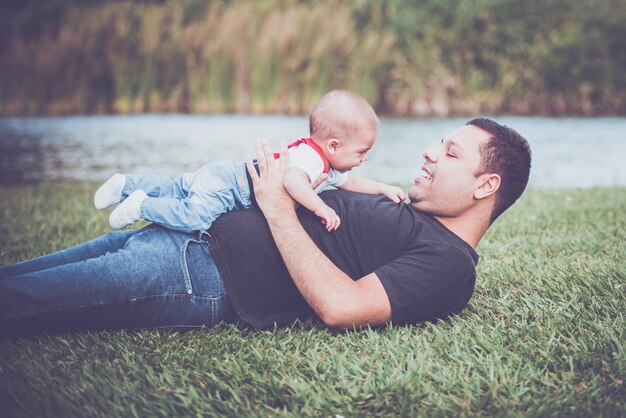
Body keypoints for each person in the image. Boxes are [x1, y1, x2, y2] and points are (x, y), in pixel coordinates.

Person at [0, 118, 531, 337]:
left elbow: (343, 307)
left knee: (26, 298)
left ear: (485, 186)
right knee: (18, 277)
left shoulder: (450, 266)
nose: (429, 152)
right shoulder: (409, 211)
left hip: (202, 275)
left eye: (450, 152)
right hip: (188, 229)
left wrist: (276, 204)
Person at [95, 90, 404, 233]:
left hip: (224, 173)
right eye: (361, 152)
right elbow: (293, 182)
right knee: (194, 217)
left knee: (176, 187)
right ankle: (140, 205)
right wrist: (320, 207)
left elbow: (352, 183)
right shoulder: (311, 161)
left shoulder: (327, 163)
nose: (364, 159)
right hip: (231, 188)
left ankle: (127, 183)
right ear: (333, 145)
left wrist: (384, 188)